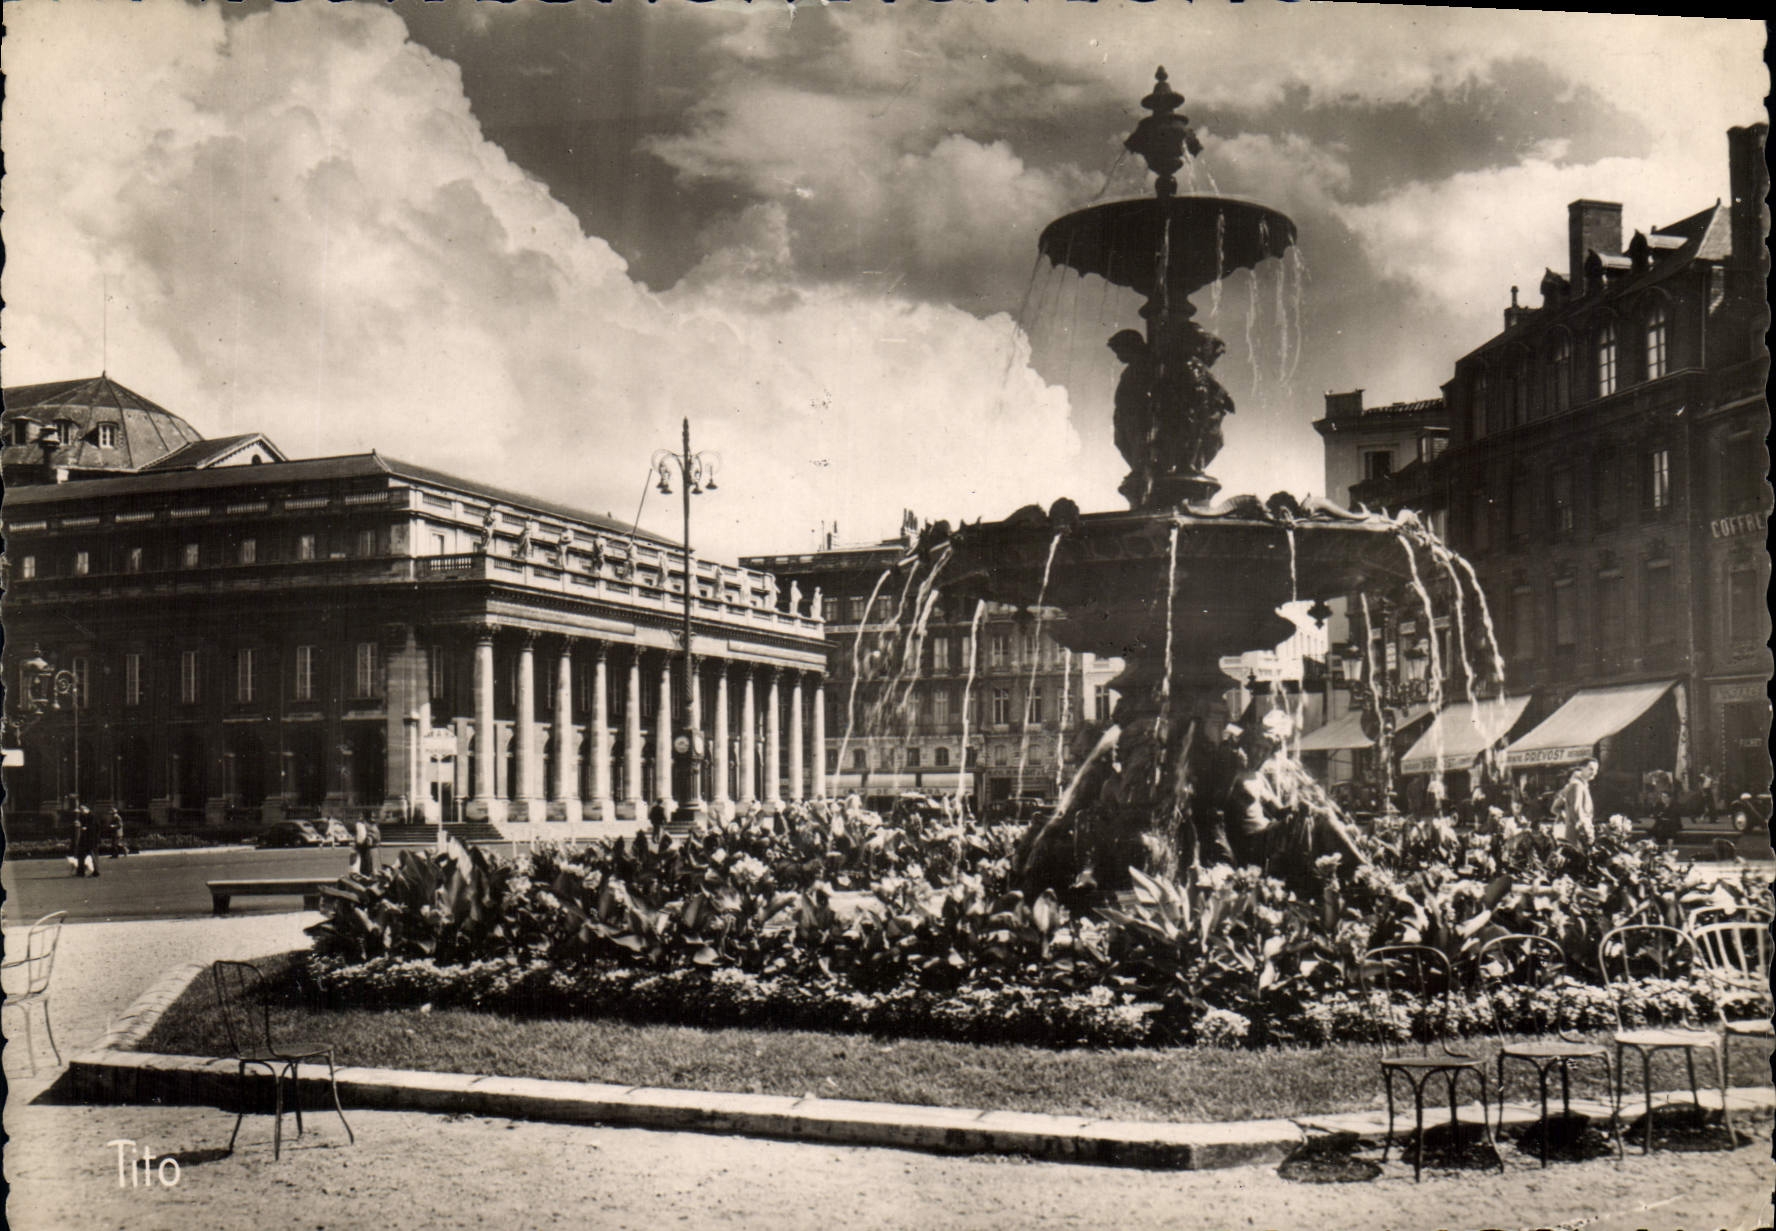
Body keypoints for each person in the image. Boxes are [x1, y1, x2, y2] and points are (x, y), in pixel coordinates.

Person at [1551, 759, 1598, 844]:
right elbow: (1576, 808)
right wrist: (1585, 827)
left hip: (1577, 827)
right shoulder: (1577, 785)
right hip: (1578, 831)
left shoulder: (1581, 784)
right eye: (1591, 769)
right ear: (1582, 768)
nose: (1594, 772)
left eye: (1596, 770)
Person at [75, 805, 101, 877]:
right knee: (81, 856)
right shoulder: (82, 816)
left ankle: (96, 871)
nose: (81, 811)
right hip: (84, 840)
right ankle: (80, 872)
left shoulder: (93, 816)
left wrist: (86, 828)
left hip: (92, 839)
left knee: (93, 856)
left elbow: (96, 828)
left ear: (87, 809)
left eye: (82, 809)